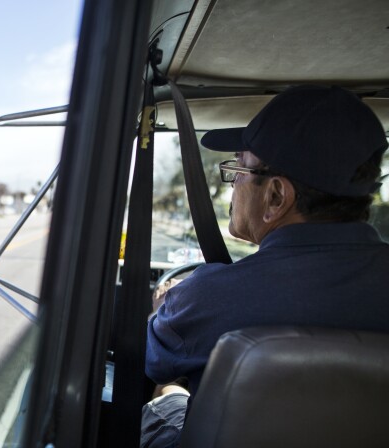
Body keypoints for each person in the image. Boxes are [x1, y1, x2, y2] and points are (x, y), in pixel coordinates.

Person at [141, 85, 389, 447]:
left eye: (238, 168)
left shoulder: (208, 296)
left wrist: (162, 307)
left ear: (275, 196)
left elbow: (154, 360)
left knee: (167, 396)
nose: (234, 185)